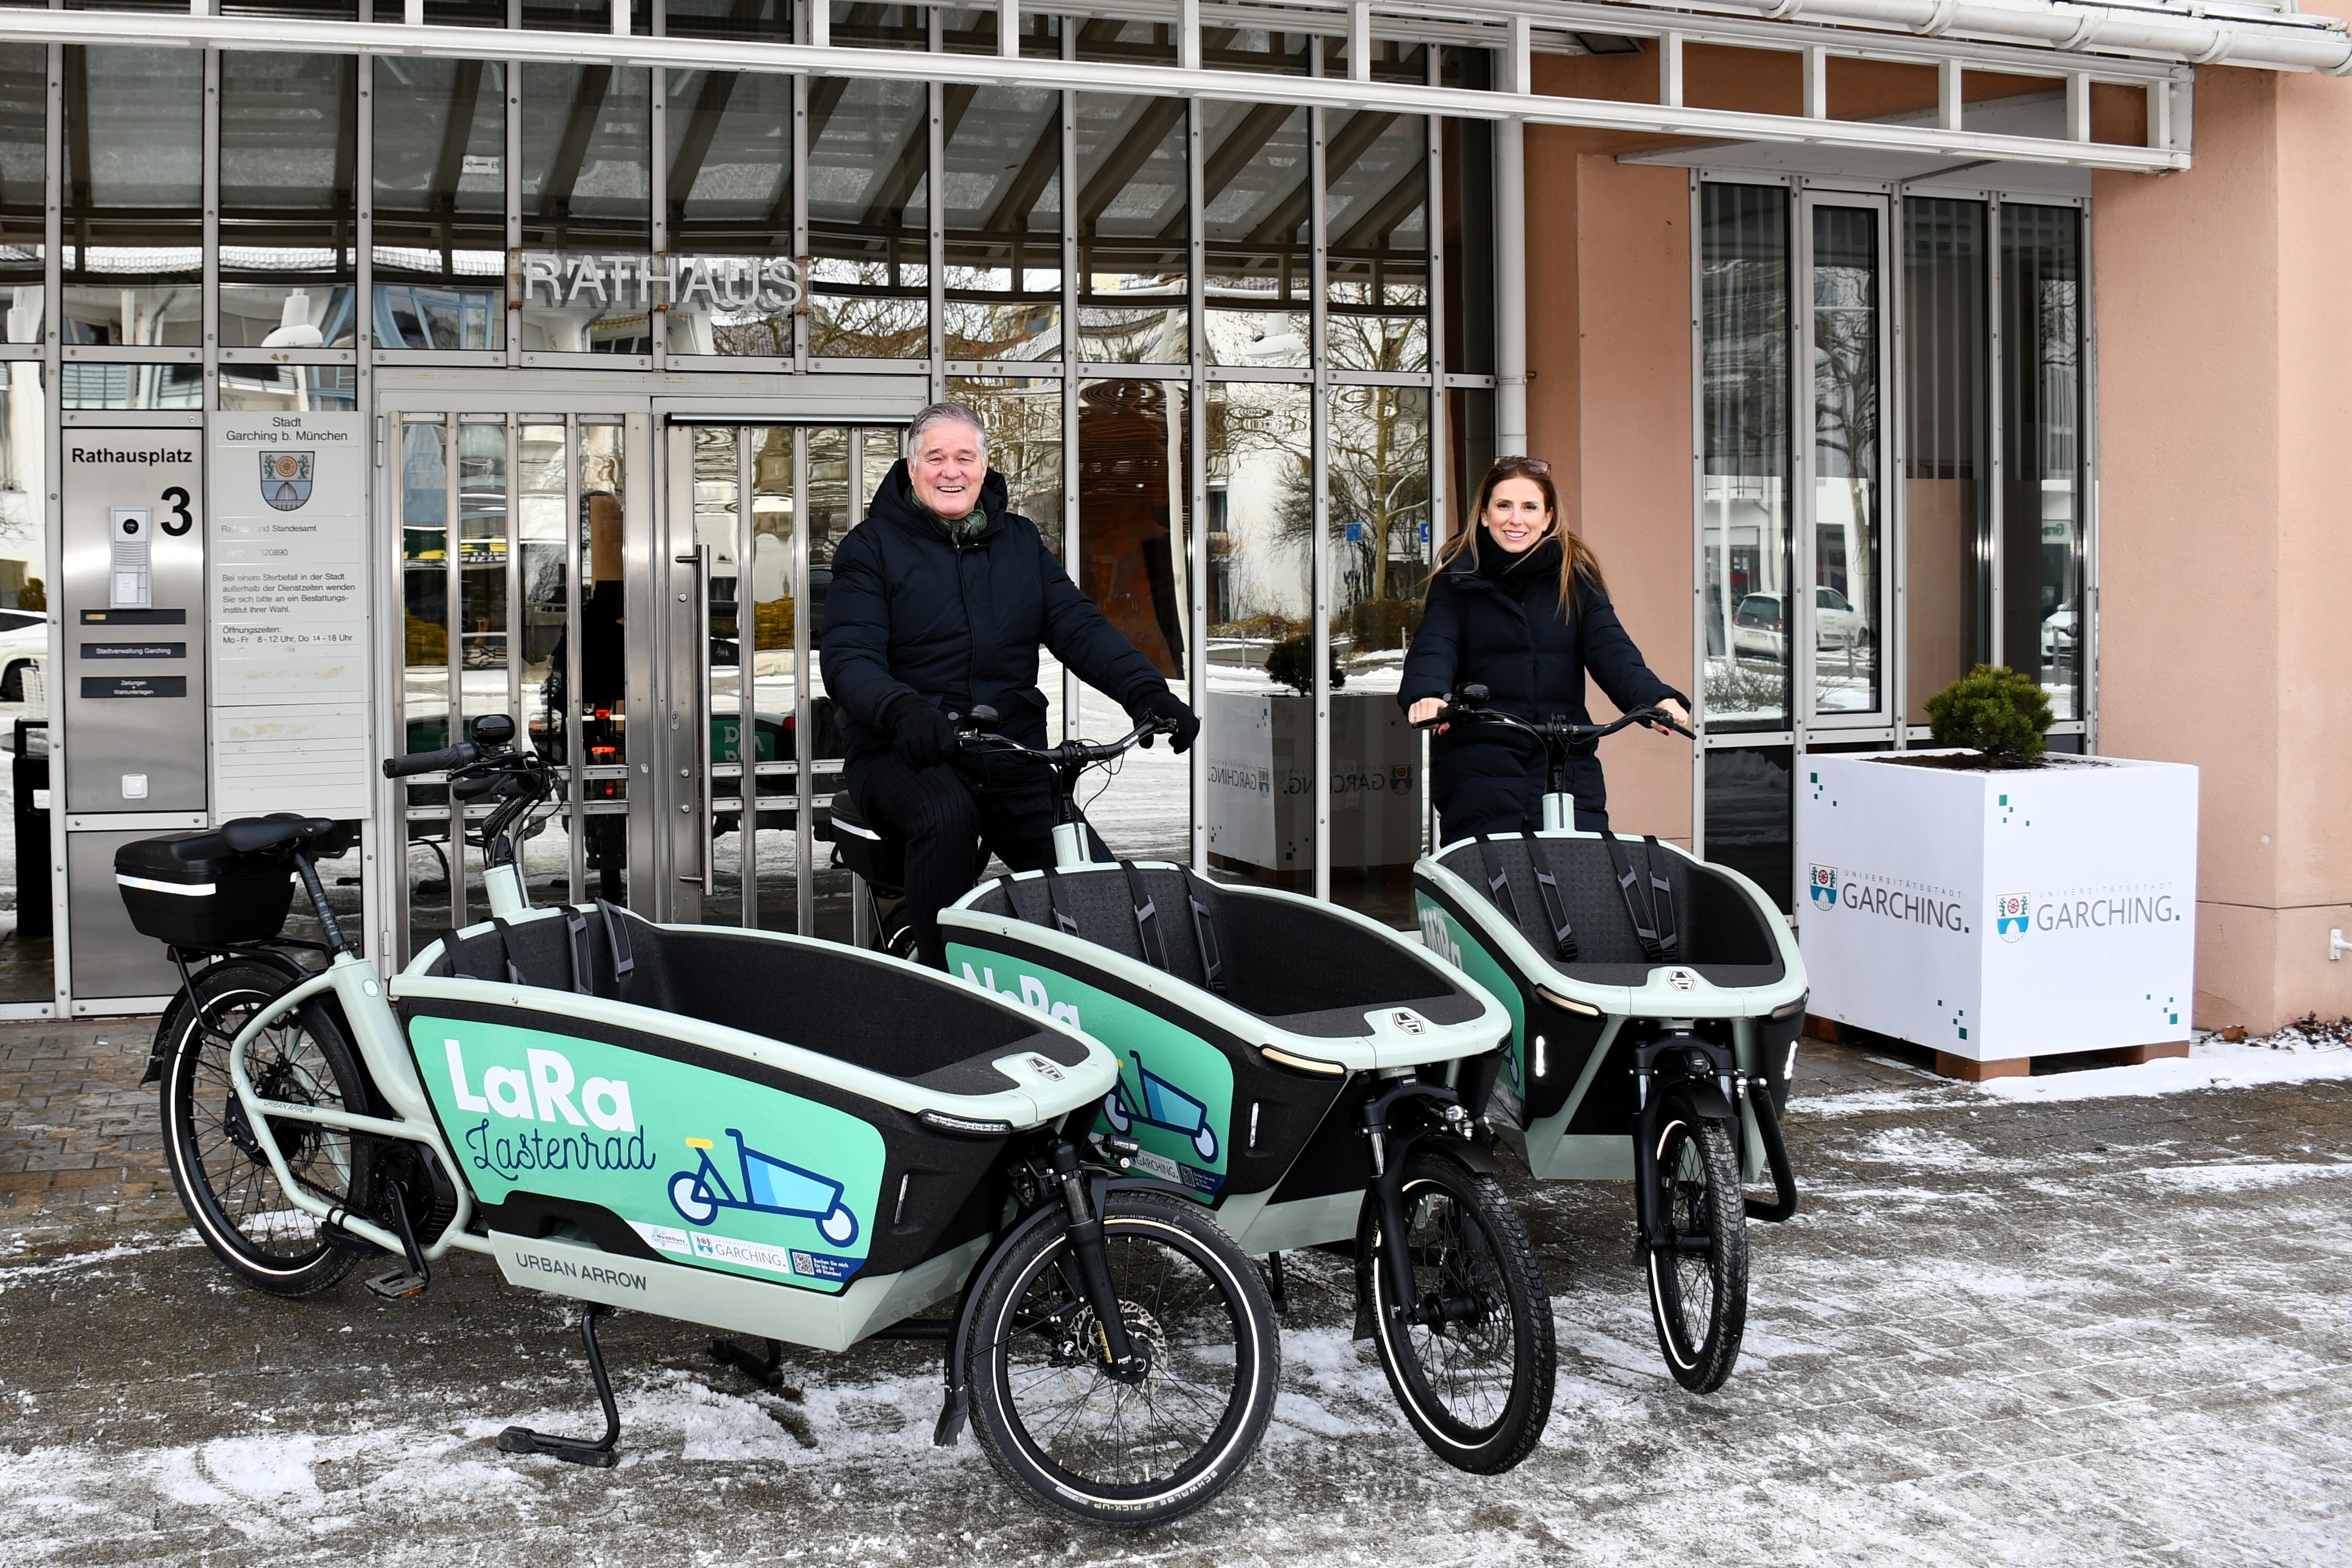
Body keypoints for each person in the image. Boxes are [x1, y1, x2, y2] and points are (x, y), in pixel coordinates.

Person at [822, 402, 1198, 967]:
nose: (951, 471)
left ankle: (1118, 990)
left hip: (1008, 750)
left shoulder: (1019, 542)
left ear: (984, 466)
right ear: (912, 467)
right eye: (936, 458)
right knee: (946, 814)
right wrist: (901, 709)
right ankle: (944, 985)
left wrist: (1146, 690)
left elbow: (1078, 627)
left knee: (1096, 889)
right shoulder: (870, 547)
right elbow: (849, 656)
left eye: (964, 457)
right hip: (905, 751)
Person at [1399, 455, 1690, 843]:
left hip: (1564, 755)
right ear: (1484, 515)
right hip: (1480, 758)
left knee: (1579, 867)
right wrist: (1428, 695)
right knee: (1489, 869)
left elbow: (1611, 648)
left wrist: (1654, 699)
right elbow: (1436, 644)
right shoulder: (1457, 579)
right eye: (1503, 506)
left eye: (1529, 507)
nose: (1515, 520)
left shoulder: (1575, 578)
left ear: (1548, 517)